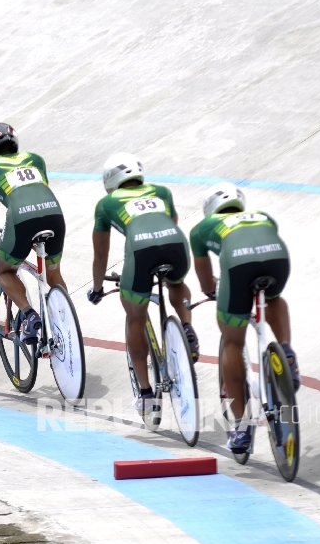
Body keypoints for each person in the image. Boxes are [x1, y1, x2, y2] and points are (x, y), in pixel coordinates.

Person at [86, 153, 200, 420]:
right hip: (176, 246)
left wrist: (98, 287)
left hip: (140, 253)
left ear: (110, 180)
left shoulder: (106, 204)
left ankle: (147, 395)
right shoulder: (162, 191)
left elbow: (101, 256)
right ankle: (186, 327)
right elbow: (169, 224)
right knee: (176, 281)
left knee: (136, 315)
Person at [189, 181, 300, 453]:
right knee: (272, 298)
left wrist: (211, 290)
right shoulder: (263, 216)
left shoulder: (202, 228)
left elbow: (205, 279)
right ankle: (285, 349)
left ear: (210, 209)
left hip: (238, 266)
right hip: (277, 258)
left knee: (232, 342)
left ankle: (241, 429)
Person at [0, 122, 65, 343]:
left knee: (5, 271)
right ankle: (66, 325)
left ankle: (29, 315)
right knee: (53, 272)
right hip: (54, 214)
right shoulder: (36, 159)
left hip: (21, 219)